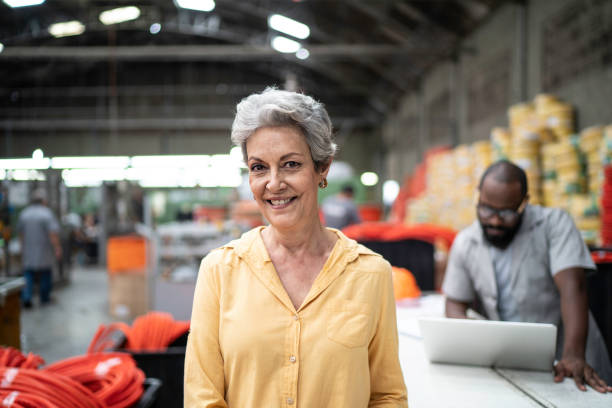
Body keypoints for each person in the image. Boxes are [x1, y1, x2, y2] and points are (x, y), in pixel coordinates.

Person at [184, 88, 408, 407]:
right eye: (259, 167)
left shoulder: (370, 273)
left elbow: (387, 395)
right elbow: (201, 397)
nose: (274, 183)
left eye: (290, 164)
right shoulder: (220, 271)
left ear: (322, 168)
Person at [443, 160, 612, 393]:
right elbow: (454, 303)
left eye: (506, 213)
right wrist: (474, 344)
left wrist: (573, 355)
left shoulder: (554, 225)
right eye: (486, 209)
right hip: (514, 365)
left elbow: (573, 288)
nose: (494, 221)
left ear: (524, 203)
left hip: (571, 357)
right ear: (478, 197)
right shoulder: (465, 242)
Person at [18, 188, 62, 308]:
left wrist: (22, 247)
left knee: (28, 274)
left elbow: (21, 234)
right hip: (44, 250)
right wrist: (57, 248)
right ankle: (44, 298)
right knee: (45, 274)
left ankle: (27, 297)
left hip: (28, 250)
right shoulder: (47, 214)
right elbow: (53, 233)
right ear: (43, 201)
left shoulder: (24, 214)